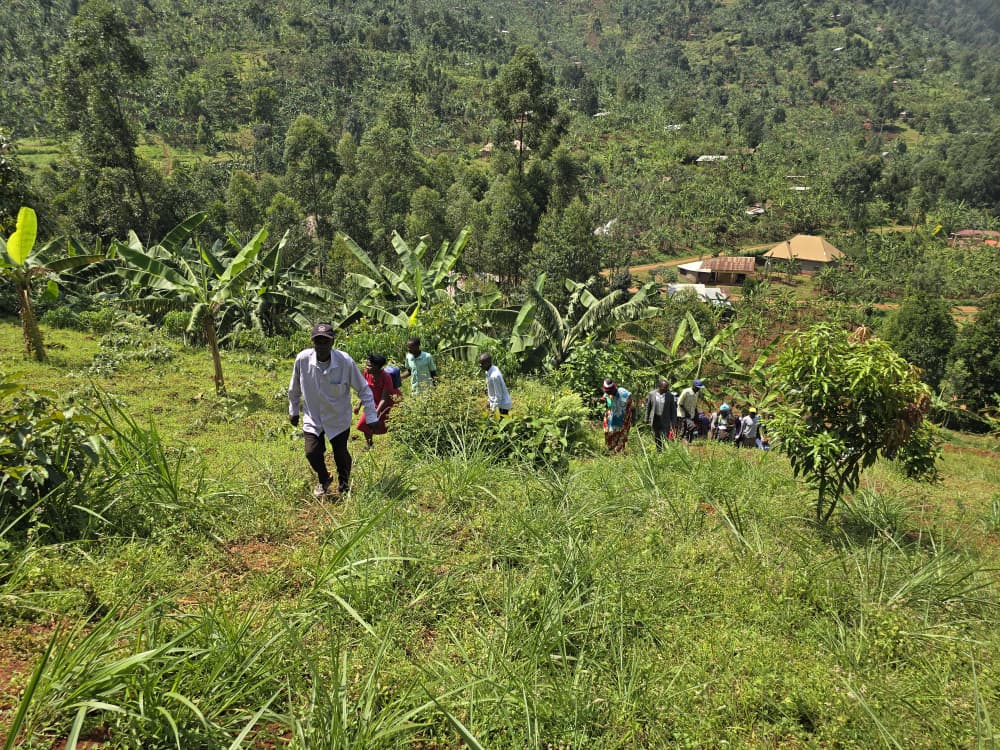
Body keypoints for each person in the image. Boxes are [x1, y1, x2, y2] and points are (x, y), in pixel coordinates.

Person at [288, 323, 379, 498]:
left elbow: (364, 390)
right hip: (313, 416)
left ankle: (344, 486)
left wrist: (371, 415)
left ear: (332, 342)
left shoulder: (345, 362)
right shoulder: (303, 359)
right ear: (313, 342)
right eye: (318, 341)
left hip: (338, 417)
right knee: (311, 452)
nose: (321, 346)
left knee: (340, 454)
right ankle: (324, 478)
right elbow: (294, 388)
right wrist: (293, 411)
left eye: (325, 342)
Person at [355, 353, 401, 448]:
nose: (366, 367)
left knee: (394, 425)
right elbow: (365, 390)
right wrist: (359, 405)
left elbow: (385, 398)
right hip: (374, 401)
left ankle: (398, 445)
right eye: (367, 364)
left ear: (377, 366)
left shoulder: (386, 377)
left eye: (369, 365)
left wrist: (376, 412)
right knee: (364, 423)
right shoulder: (367, 373)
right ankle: (369, 445)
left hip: (390, 403)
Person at [601, 378, 634, 453]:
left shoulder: (624, 394)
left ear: (614, 388)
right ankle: (611, 451)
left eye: (609, 392)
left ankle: (618, 455)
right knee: (608, 434)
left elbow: (633, 407)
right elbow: (604, 398)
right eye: (606, 392)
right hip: (611, 418)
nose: (608, 393)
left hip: (623, 420)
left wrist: (633, 420)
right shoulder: (607, 393)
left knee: (621, 438)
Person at [644, 379, 676, 451]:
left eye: (667, 387)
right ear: (659, 386)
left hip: (665, 419)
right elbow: (648, 407)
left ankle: (665, 451)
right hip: (655, 419)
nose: (666, 389)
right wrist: (646, 418)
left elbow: (673, 410)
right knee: (656, 436)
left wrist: (673, 422)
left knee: (665, 436)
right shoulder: (651, 394)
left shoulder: (670, 396)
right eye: (665, 387)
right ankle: (659, 450)